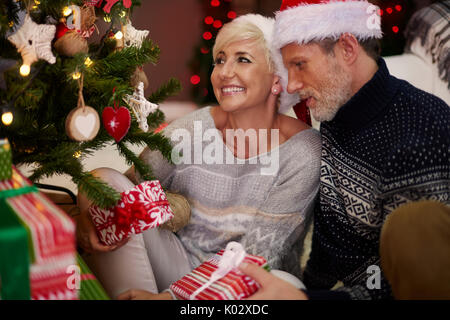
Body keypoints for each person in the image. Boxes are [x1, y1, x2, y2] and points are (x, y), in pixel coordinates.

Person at [76, 13, 322, 299]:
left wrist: (172, 299)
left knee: (285, 282)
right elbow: (128, 185)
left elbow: (257, 257)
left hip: (246, 285)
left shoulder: (302, 152)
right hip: (176, 264)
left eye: (242, 59)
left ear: (276, 81)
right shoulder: (190, 132)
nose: (224, 72)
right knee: (104, 183)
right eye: (219, 60)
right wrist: (83, 218)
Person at [240, 0, 450, 300]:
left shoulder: (420, 133)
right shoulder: (336, 108)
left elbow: (416, 287)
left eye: (300, 64)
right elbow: (331, 242)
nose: (292, 85)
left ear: (347, 49)